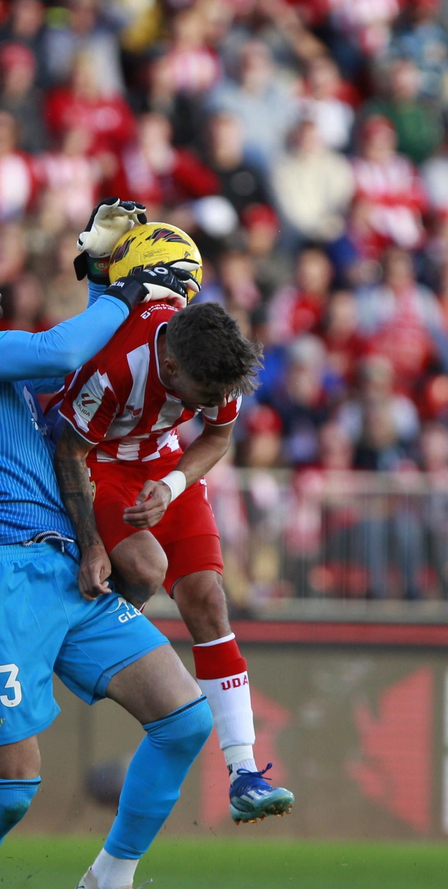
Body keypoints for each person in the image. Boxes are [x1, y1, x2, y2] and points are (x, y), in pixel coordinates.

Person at [0, 216, 203, 889]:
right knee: (10, 793)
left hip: (61, 570)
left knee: (185, 717)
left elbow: (78, 358)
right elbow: (62, 354)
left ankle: (108, 883)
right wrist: (129, 294)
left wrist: (102, 274)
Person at [51, 281, 296, 824]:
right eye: (201, 396)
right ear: (170, 363)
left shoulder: (215, 364)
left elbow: (217, 438)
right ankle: (83, 633)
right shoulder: (119, 365)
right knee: (146, 566)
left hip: (165, 468)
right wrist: (92, 542)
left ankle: (243, 773)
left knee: (208, 600)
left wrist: (174, 486)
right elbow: (68, 447)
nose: (208, 405)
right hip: (103, 465)